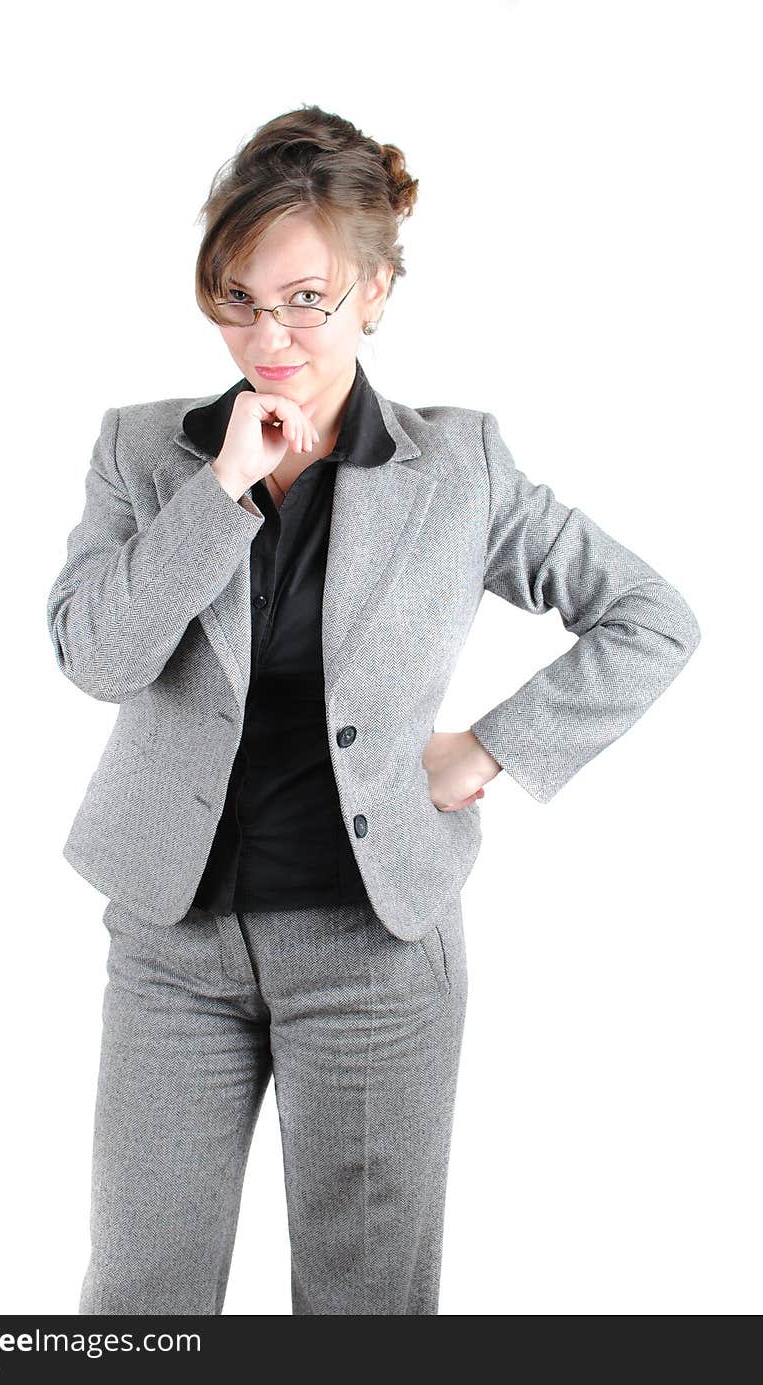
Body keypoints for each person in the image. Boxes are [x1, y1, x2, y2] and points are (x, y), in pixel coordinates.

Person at [46, 105, 701, 1315]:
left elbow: (651, 617)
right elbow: (96, 656)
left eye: (307, 298)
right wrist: (222, 486)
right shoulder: (146, 451)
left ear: (376, 291)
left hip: (371, 948)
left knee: (364, 1304)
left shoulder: (459, 467)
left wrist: (492, 746)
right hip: (169, 946)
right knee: (138, 1296)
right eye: (238, 297)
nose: (269, 331)